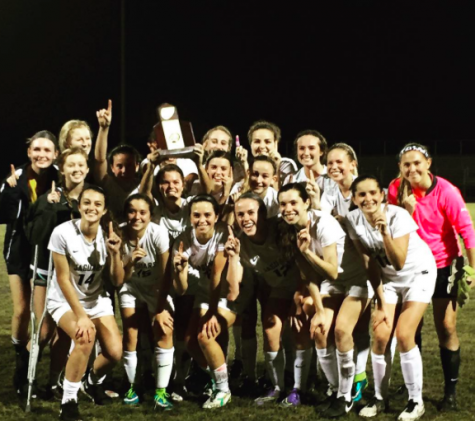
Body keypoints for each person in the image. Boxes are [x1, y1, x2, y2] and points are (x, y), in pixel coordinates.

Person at [388, 143, 475, 411]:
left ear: (428, 163)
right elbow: (393, 227)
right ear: (400, 168)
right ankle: (411, 384)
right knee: (409, 327)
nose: (412, 169)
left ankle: (450, 391)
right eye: (406, 164)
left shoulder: (446, 191)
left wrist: (472, 268)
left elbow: (466, 230)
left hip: (442, 263)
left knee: (446, 325)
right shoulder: (395, 189)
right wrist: (406, 210)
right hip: (411, 265)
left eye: (417, 163)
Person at [346, 175, 437, 421]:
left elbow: (398, 262)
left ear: (382, 194)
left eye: (373, 193)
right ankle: (379, 397)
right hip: (388, 281)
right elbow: (368, 263)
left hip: (419, 273)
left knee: (405, 334)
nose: (368, 199)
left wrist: (385, 233)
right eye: (361, 195)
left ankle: (415, 401)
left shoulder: (398, 216)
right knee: (380, 334)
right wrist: (379, 303)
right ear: (353, 199)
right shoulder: (352, 219)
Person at [278, 182, 370, 417]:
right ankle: (337, 389)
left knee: (340, 331)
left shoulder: (324, 223)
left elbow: (331, 270)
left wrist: (307, 251)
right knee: (319, 330)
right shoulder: (288, 230)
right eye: (283, 204)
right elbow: (308, 276)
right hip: (334, 284)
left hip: (357, 280)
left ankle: (346, 397)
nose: (288, 208)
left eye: (293, 203)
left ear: (306, 203)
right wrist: (319, 310)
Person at [46, 186, 123, 420]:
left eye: (97, 204)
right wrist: (81, 316)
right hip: (64, 300)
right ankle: (68, 402)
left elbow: (118, 280)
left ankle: (91, 381)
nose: (92, 208)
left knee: (115, 353)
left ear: (104, 209)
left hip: (96, 299)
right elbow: (62, 279)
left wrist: (116, 253)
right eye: (87, 203)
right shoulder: (62, 233)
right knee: (85, 338)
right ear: (79, 206)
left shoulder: (109, 234)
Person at [24, 147, 91, 398]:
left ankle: (54, 381)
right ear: (62, 169)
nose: (75, 170)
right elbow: (35, 236)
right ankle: (25, 374)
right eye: (70, 165)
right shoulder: (49, 197)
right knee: (43, 331)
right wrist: (50, 208)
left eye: (80, 165)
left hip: (74, 274)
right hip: (46, 270)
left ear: (87, 169)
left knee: (64, 334)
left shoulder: (90, 198)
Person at [0, 130, 59, 395]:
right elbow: (8, 213)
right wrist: (11, 190)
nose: (41, 155)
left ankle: (28, 364)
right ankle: (20, 359)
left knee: (40, 315)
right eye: (37, 149)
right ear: (28, 152)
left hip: (45, 252)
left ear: (55, 154)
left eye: (47, 150)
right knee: (22, 310)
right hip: (19, 250)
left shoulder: (59, 177)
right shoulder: (16, 178)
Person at [230, 192, 301, 405]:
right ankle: (277, 385)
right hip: (280, 289)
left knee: (299, 328)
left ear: (262, 214)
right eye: (240, 214)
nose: (246, 219)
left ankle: (298, 384)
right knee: (270, 326)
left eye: (251, 212)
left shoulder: (280, 228)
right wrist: (233, 258)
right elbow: (233, 293)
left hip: (304, 285)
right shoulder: (241, 244)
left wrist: (301, 296)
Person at [320, 143, 372, 403]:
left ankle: (359, 380)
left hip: (365, 272)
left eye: (339, 162)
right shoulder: (328, 194)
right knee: (331, 330)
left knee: (358, 329)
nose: (334, 167)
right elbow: (321, 219)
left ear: (353, 163)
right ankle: (339, 384)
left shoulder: (366, 191)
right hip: (337, 273)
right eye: (329, 163)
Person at [172, 194, 233, 409]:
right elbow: (181, 289)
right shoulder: (183, 240)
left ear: (217, 216)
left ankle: (223, 390)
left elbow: (217, 274)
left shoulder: (224, 233)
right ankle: (218, 378)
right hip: (207, 293)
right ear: (189, 217)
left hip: (231, 292)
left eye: (208, 215)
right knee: (190, 342)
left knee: (205, 336)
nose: (202, 220)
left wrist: (213, 313)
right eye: (196, 215)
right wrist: (180, 271)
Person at [119, 194, 174, 409]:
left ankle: (161, 392)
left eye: (143, 212)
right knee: (130, 334)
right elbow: (119, 279)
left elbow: (166, 274)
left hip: (155, 288)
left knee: (164, 329)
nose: (137, 216)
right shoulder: (120, 234)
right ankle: (133, 386)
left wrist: (160, 309)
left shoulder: (158, 233)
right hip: (131, 287)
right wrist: (130, 262)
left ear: (151, 214)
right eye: (132, 211)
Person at [247, 120, 298, 187]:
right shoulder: (246, 165)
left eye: (267, 142)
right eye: (257, 141)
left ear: (275, 143)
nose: (262, 146)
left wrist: (277, 166)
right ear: (251, 144)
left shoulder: (286, 164)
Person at [284, 130, 335, 195]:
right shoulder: (291, 179)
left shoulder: (333, 176)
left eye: (311, 148)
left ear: (321, 151)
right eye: (301, 148)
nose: (306, 153)